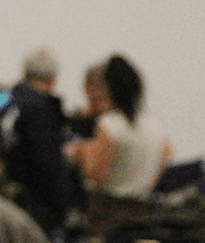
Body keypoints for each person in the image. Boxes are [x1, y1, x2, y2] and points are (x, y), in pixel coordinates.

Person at [67, 53, 172, 228]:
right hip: (143, 212)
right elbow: (167, 155)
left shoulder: (109, 125)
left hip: (107, 213)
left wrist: (81, 151)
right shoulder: (154, 126)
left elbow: (96, 174)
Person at [0, 49, 75, 236]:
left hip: (1, 196)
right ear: (53, 77)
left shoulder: (3, 98)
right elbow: (46, 164)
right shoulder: (43, 108)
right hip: (33, 206)